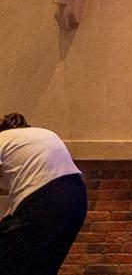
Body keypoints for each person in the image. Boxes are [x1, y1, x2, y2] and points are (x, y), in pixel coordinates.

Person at [0, 113, 87, 275]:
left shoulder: (2, 139)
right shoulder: (43, 134)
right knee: (43, 264)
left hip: (45, 200)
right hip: (77, 198)